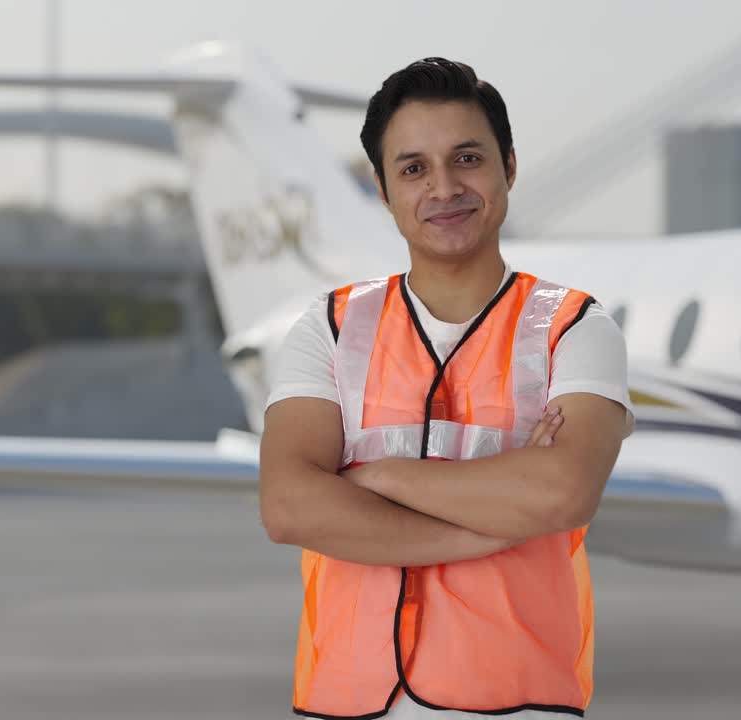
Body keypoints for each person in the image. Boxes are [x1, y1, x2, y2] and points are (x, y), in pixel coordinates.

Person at [259, 57, 633, 720]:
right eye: (413, 169)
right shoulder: (329, 328)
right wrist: (493, 527)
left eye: (467, 159)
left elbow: (563, 493)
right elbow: (289, 507)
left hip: (517, 702)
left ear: (508, 166)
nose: (444, 188)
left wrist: (376, 475)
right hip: (346, 701)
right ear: (382, 190)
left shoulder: (575, 327)